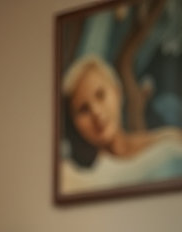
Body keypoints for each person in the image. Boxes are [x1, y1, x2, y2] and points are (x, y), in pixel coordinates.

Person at [60, 54, 182, 192]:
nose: (96, 112)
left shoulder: (170, 140)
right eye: (83, 109)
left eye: (100, 95)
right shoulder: (76, 176)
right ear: (75, 124)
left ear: (118, 92)